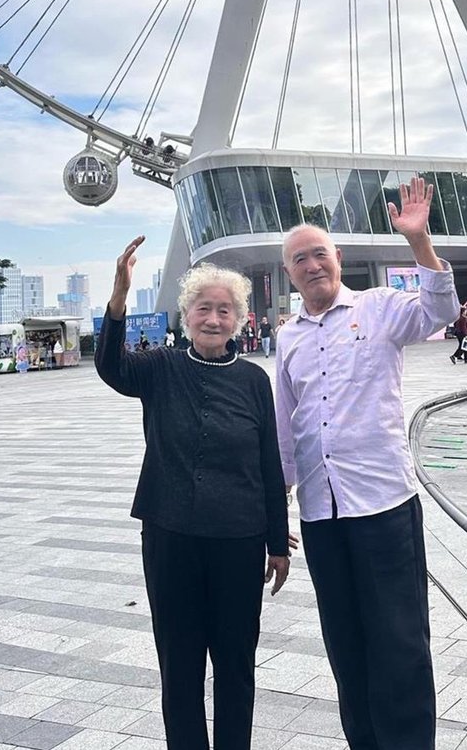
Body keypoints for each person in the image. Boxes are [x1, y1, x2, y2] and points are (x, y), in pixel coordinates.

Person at [275, 177, 460, 750]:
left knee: (401, 642)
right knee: (346, 645)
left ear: (340, 259)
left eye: (319, 254)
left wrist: (419, 241)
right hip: (321, 515)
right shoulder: (286, 338)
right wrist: (271, 518)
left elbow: (440, 310)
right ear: (290, 273)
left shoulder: (381, 309)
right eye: (299, 259)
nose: (312, 265)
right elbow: (286, 430)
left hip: (383, 504)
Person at [95, 237, 292, 750]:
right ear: (186, 314)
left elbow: (269, 461)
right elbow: (111, 368)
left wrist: (276, 541)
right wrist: (118, 302)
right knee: (179, 666)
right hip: (171, 536)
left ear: (240, 320)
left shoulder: (253, 380)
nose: (213, 318)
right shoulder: (159, 368)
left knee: (236, 664)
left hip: (238, 539)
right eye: (203, 308)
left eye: (224, 310)